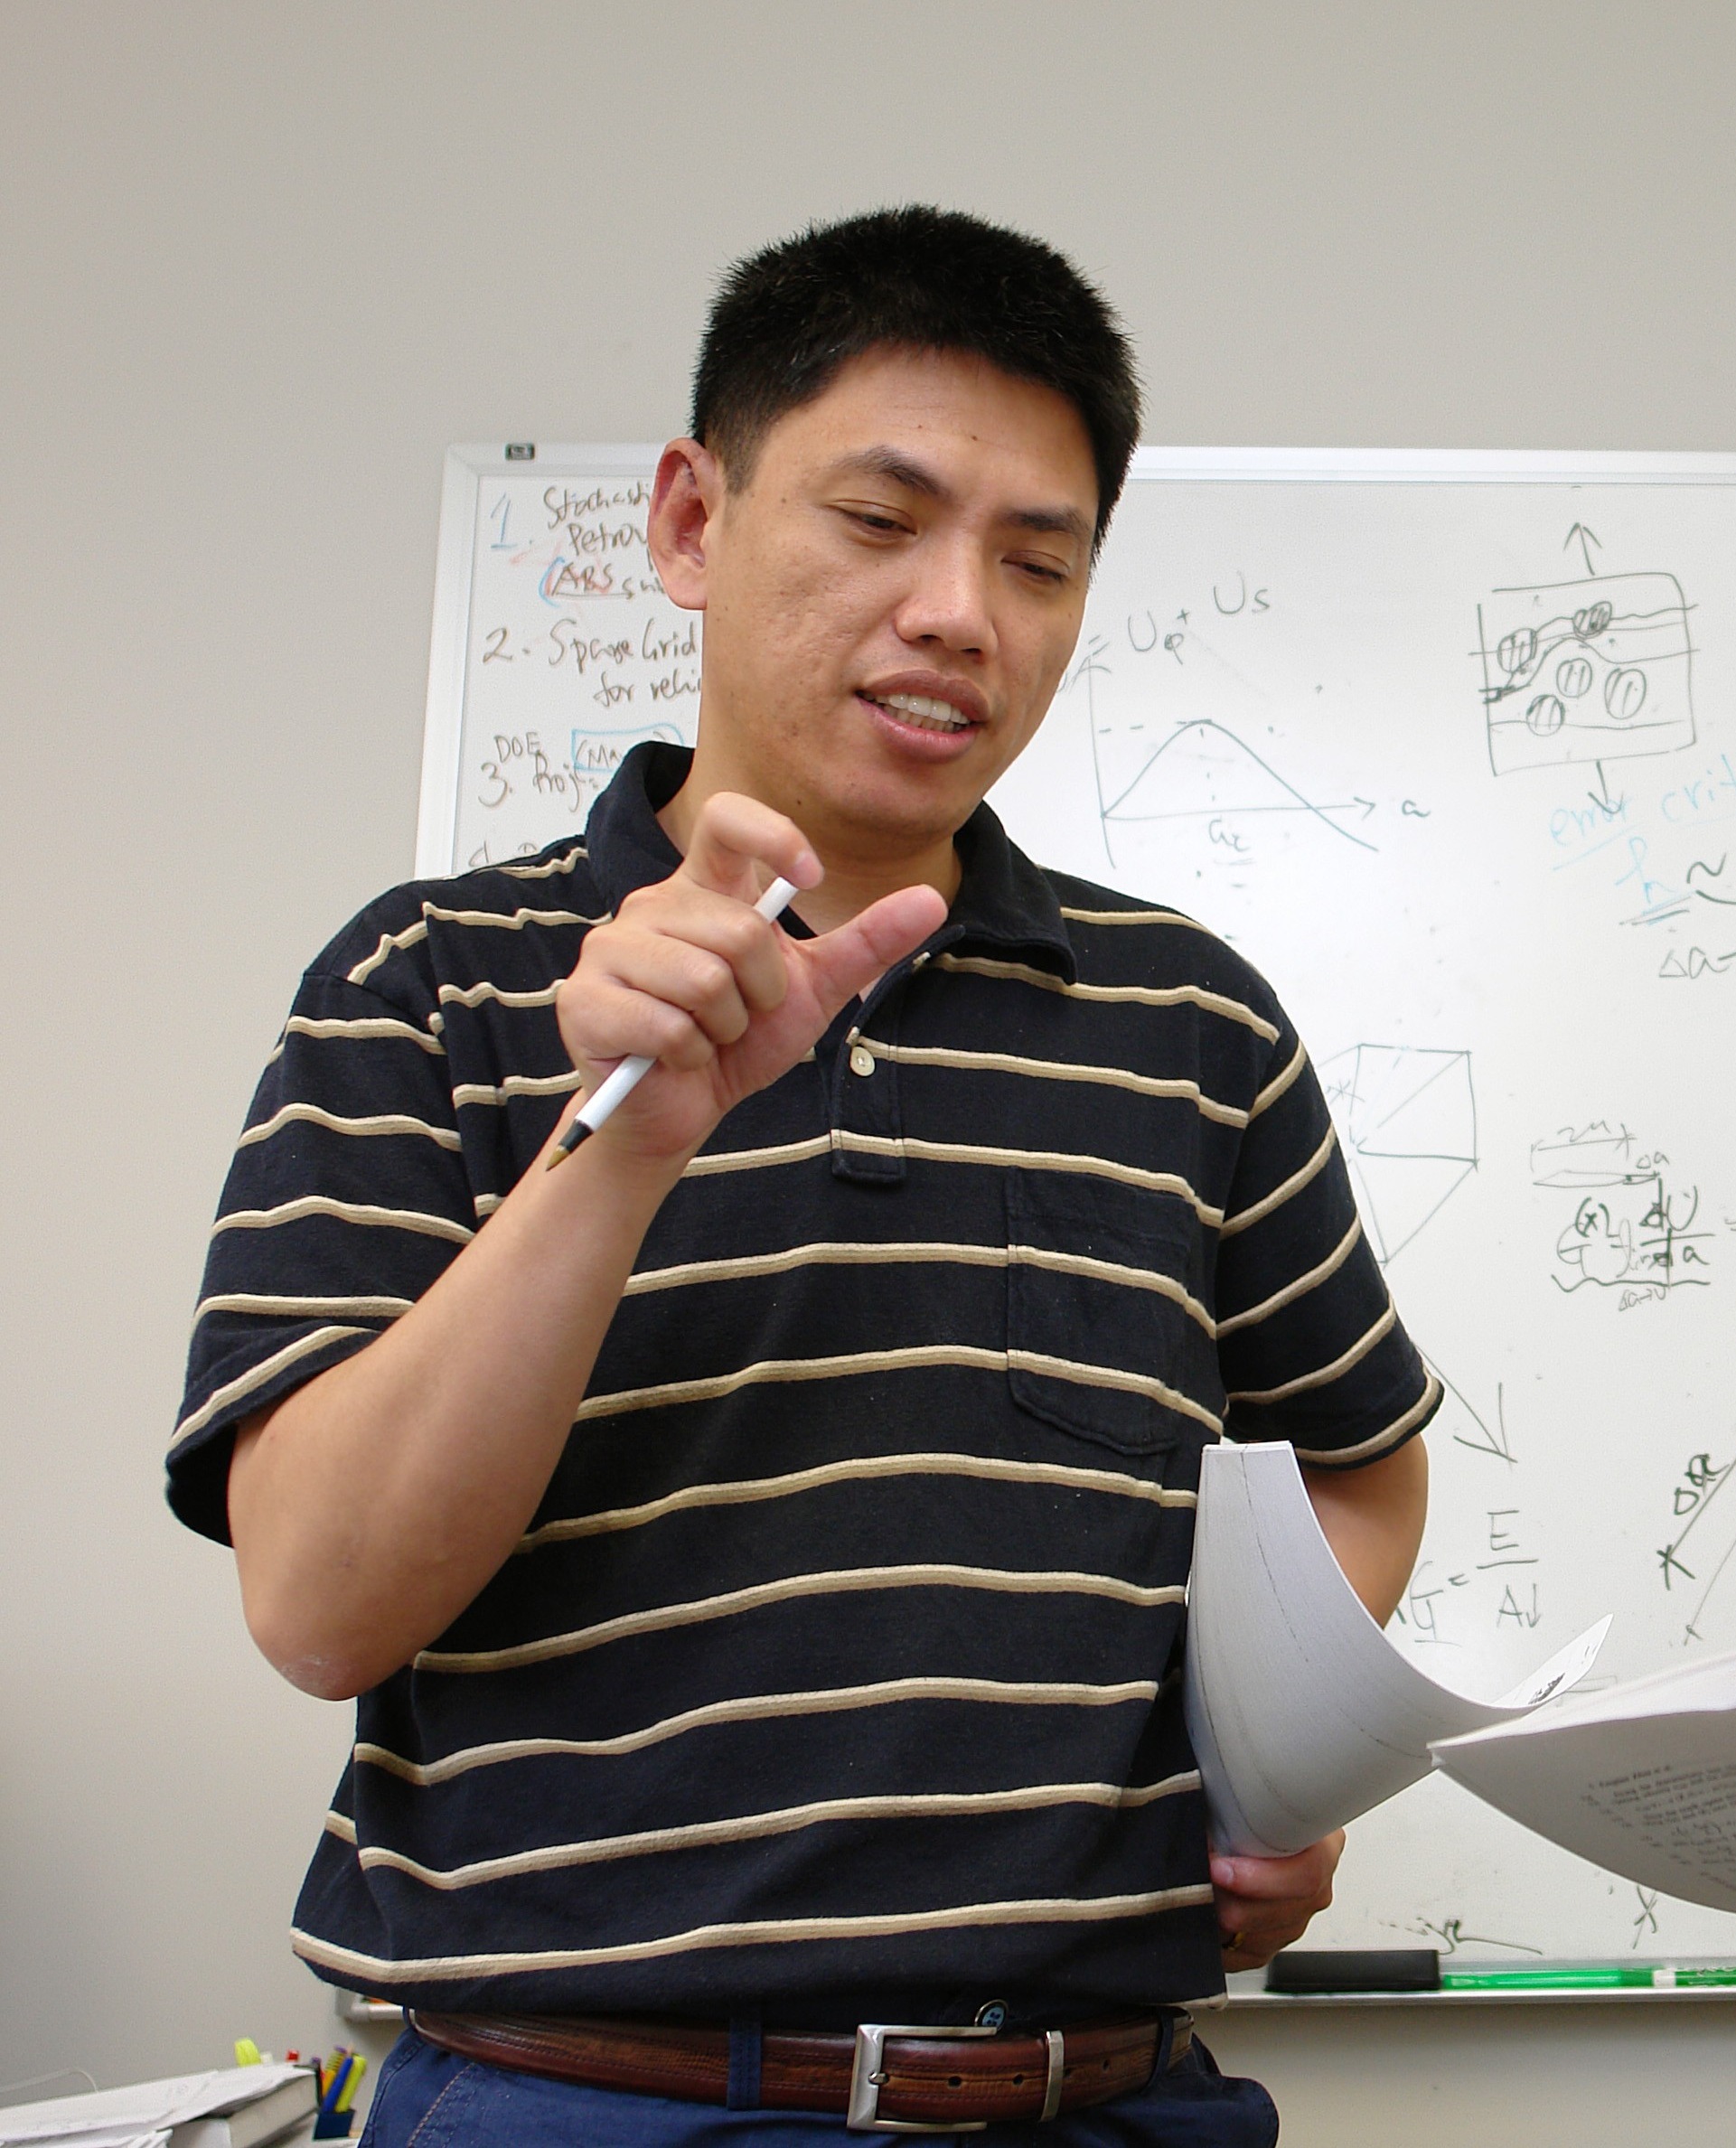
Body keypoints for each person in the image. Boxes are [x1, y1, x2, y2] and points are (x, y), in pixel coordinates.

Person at [170, 205, 1437, 2143]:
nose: (961, 614)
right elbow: (321, 1604)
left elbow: (1357, 1456)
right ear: (691, 519)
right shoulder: (425, 983)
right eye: (880, 519)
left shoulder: (1192, 1015)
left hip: (1105, 2093)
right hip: (588, 2099)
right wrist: (627, 1136)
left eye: (1040, 559)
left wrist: (1265, 1765)